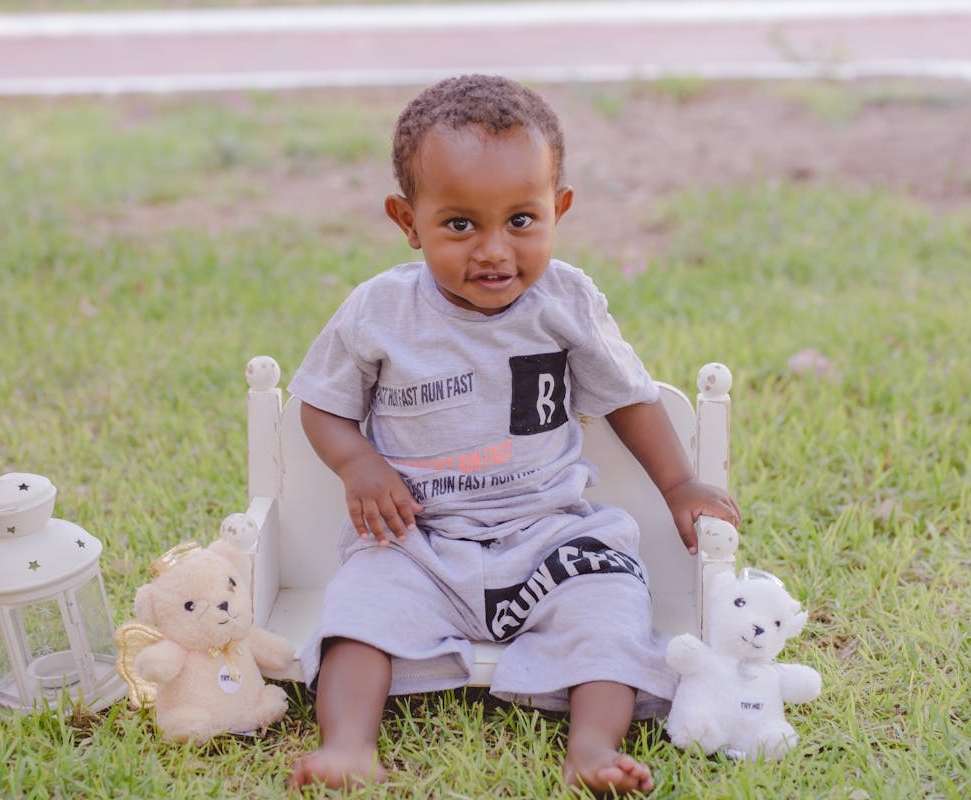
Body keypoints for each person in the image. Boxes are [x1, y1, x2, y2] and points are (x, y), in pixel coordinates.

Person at [286, 74, 740, 795]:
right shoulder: (379, 311)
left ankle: (592, 749)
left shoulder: (566, 301)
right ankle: (348, 744)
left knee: (610, 605)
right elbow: (320, 404)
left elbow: (629, 399)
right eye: (459, 224)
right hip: (421, 539)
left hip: (550, 533)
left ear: (558, 209)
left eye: (521, 220)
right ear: (408, 221)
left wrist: (680, 483)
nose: (494, 250)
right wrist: (358, 464)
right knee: (358, 609)